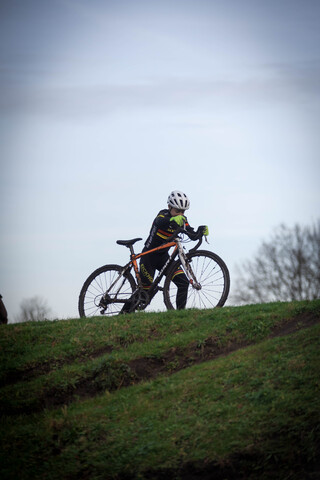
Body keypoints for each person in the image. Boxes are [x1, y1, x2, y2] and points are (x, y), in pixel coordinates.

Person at [140, 190, 208, 309]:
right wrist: (171, 220)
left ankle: (179, 315)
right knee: (144, 296)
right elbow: (159, 222)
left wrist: (200, 232)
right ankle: (124, 313)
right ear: (169, 207)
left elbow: (191, 235)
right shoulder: (163, 215)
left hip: (163, 258)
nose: (180, 215)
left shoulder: (182, 220)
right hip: (148, 257)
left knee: (183, 283)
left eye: (183, 212)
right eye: (177, 211)